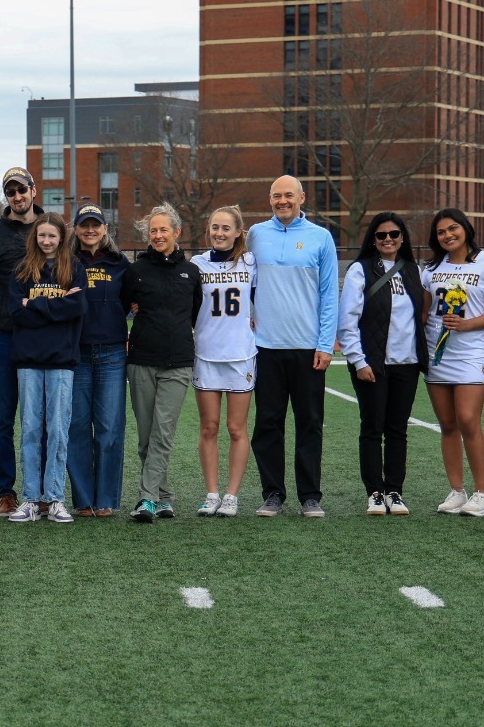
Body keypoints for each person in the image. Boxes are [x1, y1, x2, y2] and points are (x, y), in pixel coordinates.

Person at [248, 174, 338, 519]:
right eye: (276, 196)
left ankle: (310, 496)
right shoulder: (256, 234)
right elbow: (245, 282)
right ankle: (272, 494)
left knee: (310, 423)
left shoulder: (321, 237)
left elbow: (329, 295)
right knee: (268, 424)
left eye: (288, 195)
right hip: (265, 348)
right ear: (270, 199)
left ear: (302, 198)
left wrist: (325, 344)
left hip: (307, 348)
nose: (282, 201)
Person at [422, 207, 484, 517]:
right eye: (441, 232)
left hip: (471, 353)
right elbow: (424, 312)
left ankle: (482, 493)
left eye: (453, 228)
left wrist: (468, 324)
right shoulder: (431, 269)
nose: (448, 235)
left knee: (468, 420)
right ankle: (457, 491)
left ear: (465, 228)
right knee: (447, 424)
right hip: (437, 353)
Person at [119, 204, 202, 522]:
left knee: (162, 434)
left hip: (178, 364)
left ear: (176, 232)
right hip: (141, 361)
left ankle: (146, 499)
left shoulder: (191, 272)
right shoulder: (136, 270)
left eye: (163, 229)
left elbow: (197, 315)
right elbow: (122, 305)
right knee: (145, 438)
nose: (157, 235)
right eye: (153, 230)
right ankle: (164, 497)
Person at [339, 212, 425, 517]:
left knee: (398, 430)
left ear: (403, 238)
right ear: (373, 240)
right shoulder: (360, 270)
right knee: (373, 428)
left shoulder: (413, 270)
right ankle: (375, 492)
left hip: (407, 364)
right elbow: (347, 320)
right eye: (381, 235)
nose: (388, 239)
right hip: (372, 364)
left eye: (394, 234)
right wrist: (358, 360)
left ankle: (395, 491)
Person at [6, 212, 84, 523]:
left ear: (62, 238)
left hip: (62, 361)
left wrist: (34, 305)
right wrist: (57, 306)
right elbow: (16, 312)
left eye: (52, 235)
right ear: (35, 237)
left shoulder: (74, 268)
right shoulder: (22, 270)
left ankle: (54, 498)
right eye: (42, 235)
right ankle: (30, 499)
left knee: (58, 430)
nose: (47, 241)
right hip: (28, 360)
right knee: (30, 429)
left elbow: (77, 308)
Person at [0, 167, 41, 515]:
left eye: (21, 190)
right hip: (2, 335)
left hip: (43, 336)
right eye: (10, 192)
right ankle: (6, 491)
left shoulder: (51, 228)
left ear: (33, 190)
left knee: (40, 417)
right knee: (3, 417)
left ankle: (40, 489)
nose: (17, 196)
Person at [191, 206, 257, 518]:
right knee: (209, 427)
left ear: (238, 232)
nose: (219, 233)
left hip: (241, 355)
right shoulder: (197, 264)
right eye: (215, 227)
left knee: (235, 428)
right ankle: (212, 493)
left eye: (226, 228)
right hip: (206, 353)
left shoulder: (251, 262)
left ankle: (231, 495)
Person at [66, 204, 128, 518]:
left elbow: (131, 299)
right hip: (76, 353)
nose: (90, 230)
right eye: (84, 225)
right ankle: (82, 499)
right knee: (76, 426)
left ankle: (105, 499)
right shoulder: (66, 261)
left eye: (96, 225)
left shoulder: (119, 262)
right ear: (76, 229)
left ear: (105, 228)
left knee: (109, 427)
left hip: (112, 352)